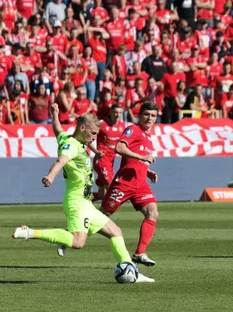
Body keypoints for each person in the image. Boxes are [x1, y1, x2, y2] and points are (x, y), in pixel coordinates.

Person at [13, 113, 154, 282]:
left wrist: (54, 114)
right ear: (82, 128)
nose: (95, 138)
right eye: (93, 133)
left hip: (86, 203)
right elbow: (61, 161)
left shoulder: (68, 138)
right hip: (77, 202)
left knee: (115, 232)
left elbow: (57, 130)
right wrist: (50, 176)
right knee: (78, 242)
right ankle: (29, 232)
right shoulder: (72, 145)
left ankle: (132, 271)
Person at [101, 100, 160, 267]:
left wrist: (146, 170)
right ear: (140, 115)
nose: (149, 118)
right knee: (101, 216)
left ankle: (140, 253)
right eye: (147, 114)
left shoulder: (148, 137)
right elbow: (119, 148)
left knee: (152, 212)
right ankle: (71, 236)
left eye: (153, 116)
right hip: (124, 183)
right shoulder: (133, 129)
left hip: (140, 183)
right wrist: (142, 158)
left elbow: (134, 158)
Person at [94, 103, 126, 201]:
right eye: (115, 112)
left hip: (111, 161)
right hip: (101, 160)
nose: (118, 115)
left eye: (120, 113)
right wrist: (95, 151)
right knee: (110, 185)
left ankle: (83, 201)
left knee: (101, 194)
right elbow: (88, 137)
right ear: (110, 112)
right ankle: (111, 208)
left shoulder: (123, 126)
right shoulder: (102, 124)